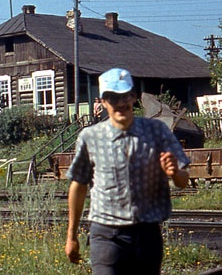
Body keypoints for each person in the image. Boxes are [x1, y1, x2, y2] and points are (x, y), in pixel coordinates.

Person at [64, 68, 190, 275]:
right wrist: (71, 236)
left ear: (133, 97)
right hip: (106, 235)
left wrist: (175, 172)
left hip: (146, 234)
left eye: (124, 96)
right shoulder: (90, 137)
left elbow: (183, 181)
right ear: (103, 102)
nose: (120, 103)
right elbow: (78, 185)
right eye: (113, 98)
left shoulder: (157, 131)